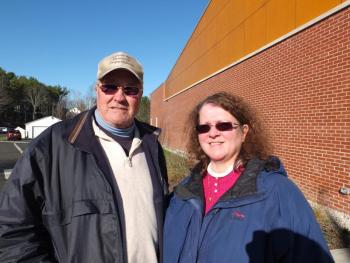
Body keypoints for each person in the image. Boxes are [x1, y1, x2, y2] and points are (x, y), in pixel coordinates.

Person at [0, 51, 168, 263]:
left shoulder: (152, 145)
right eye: (110, 87)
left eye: (130, 89)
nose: (119, 96)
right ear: (97, 89)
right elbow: (12, 231)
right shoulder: (52, 145)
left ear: (140, 93)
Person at [163, 92, 333, 262]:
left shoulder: (278, 192)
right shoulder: (182, 192)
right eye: (204, 127)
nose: (212, 133)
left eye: (223, 125)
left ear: (244, 132)